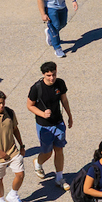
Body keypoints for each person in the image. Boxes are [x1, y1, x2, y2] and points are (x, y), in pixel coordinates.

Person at [27, 61, 74, 189]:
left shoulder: (60, 83)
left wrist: (69, 115)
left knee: (59, 149)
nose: (52, 78)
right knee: (47, 152)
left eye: (53, 74)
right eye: (48, 75)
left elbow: (64, 100)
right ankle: (38, 162)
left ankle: (59, 178)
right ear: (43, 74)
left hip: (58, 122)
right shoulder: (36, 88)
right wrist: (42, 114)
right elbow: (29, 105)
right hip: (44, 125)